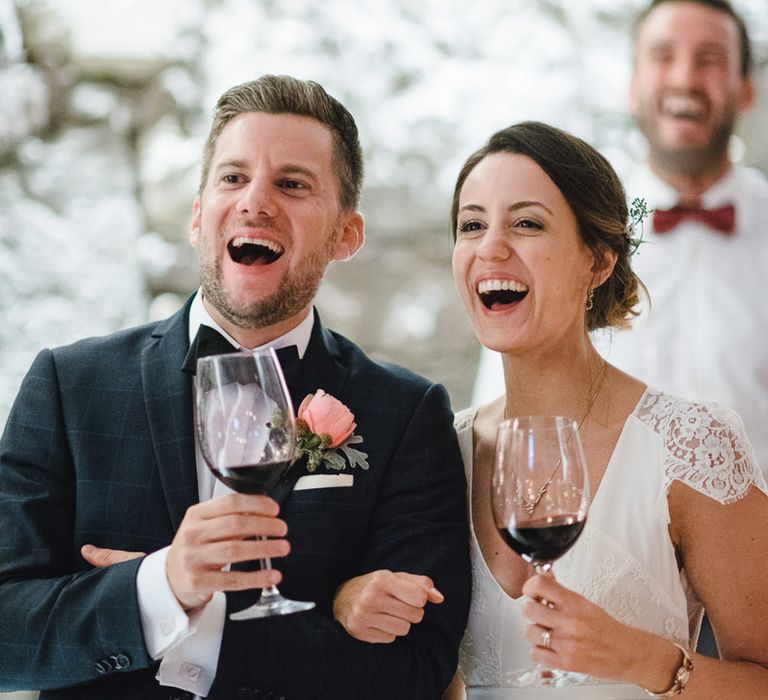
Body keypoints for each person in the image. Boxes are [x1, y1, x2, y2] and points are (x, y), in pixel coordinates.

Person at [0, 74, 471, 699]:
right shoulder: (69, 386)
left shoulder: (406, 413)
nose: (256, 202)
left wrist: (205, 629)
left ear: (345, 235)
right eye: (232, 178)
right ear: (198, 217)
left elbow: (420, 669)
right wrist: (160, 585)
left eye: (293, 184)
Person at [442, 121, 768, 698]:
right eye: (472, 225)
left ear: (598, 262)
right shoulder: (440, 450)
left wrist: (642, 659)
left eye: (526, 223)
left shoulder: (691, 447)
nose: (491, 246)